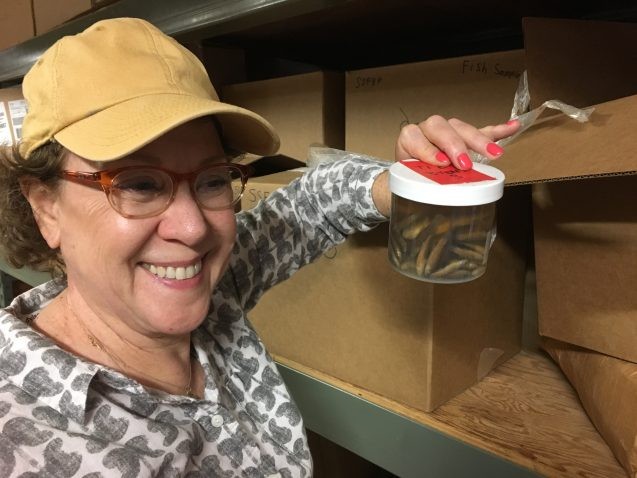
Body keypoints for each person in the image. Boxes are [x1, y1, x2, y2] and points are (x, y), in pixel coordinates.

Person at [0, 17, 518, 477]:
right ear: (46, 205)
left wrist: (413, 178)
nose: (193, 228)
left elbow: (307, 207)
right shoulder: (23, 440)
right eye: (139, 184)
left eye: (211, 179)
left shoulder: (213, 291)